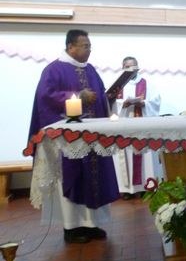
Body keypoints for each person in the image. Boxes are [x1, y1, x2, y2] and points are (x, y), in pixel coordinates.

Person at [27, 29, 119, 244]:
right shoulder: (54, 70)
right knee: (72, 178)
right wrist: (77, 96)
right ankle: (71, 228)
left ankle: (91, 224)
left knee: (94, 178)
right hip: (68, 141)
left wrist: (109, 97)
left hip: (93, 138)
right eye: (85, 46)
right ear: (71, 47)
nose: (89, 50)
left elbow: (100, 98)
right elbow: (45, 98)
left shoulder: (91, 70)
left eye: (90, 46)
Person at [112, 56, 163, 199]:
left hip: (142, 128)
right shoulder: (117, 85)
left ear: (138, 68)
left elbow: (156, 101)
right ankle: (127, 190)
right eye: (127, 67)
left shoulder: (146, 83)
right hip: (124, 128)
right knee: (126, 156)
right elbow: (110, 101)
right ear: (123, 68)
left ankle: (146, 187)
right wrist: (123, 104)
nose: (131, 69)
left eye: (134, 66)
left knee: (145, 157)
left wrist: (144, 103)